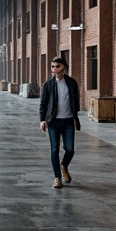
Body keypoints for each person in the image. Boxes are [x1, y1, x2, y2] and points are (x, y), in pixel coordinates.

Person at [38, 56, 81, 189]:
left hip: (68, 121)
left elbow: (76, 101)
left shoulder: (72, 83)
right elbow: (43, 103)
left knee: (70, 149)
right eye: (52, 66)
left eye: (57, 66)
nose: (54, 69)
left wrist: (75, 115)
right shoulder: (48, 84)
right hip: (53, 122)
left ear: (64, 68)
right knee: (54, 149)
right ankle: (57, 178)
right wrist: (42, 119)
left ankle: (64, 166)